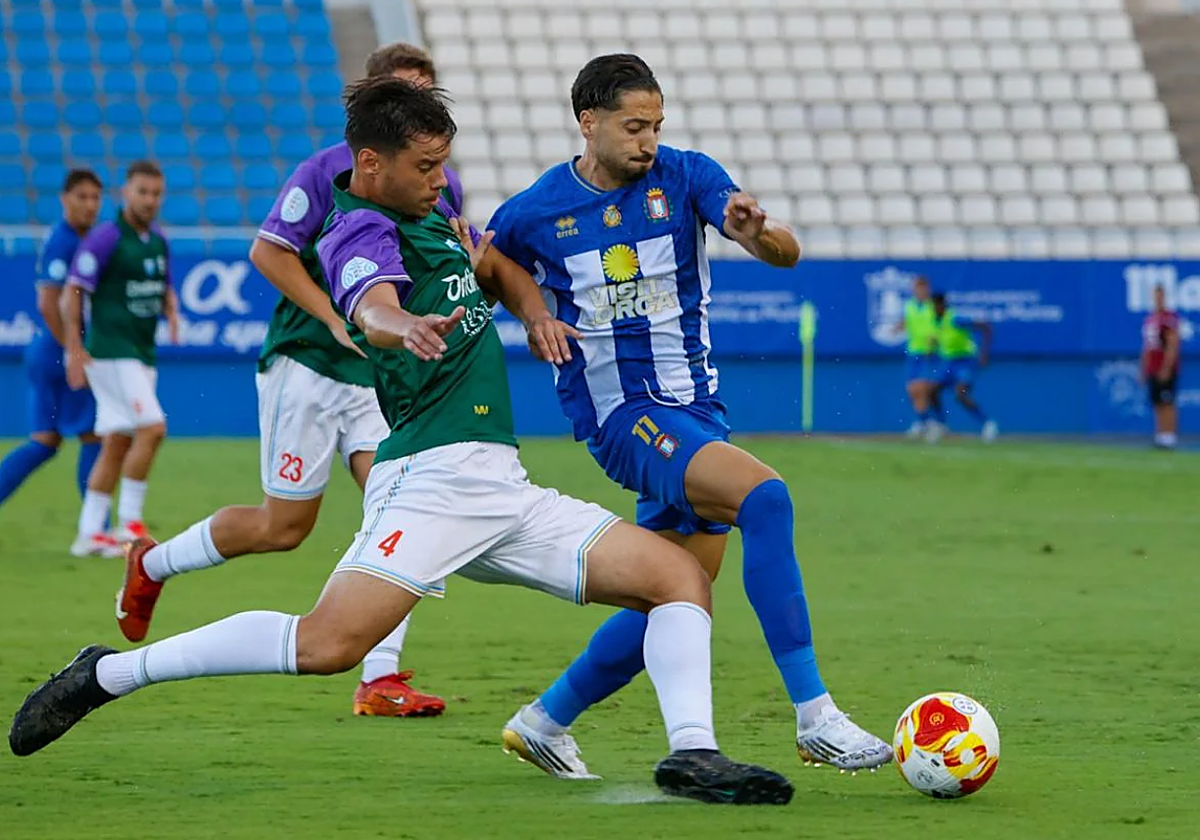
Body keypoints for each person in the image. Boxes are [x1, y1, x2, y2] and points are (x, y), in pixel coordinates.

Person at [9, 78, 794, 806]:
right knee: (325, 645)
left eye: (442, 164)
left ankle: (693, 752)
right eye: (424, 167)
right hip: (431, 482)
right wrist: (400, 324)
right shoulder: (357, 230)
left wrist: (534, 311)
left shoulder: (435, 215)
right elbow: (371, 304)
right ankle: (109, 674)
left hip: (503, 487)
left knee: (679, 578)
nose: (439, 179)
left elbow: (498, 267)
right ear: (369, 164)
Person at [487, 54, 891, 778]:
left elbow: (784, 252)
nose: (648, 140)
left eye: (656, 125)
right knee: (765, 498)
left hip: (697, 412)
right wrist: (529, 312)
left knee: (676, 593)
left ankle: (543, 721)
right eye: (633, 126)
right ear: (588, 122)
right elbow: (486, 271)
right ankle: (815, 716)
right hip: (625, 417)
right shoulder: (535, 212)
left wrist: (755, 230)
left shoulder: (686, 175)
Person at [116, 43, 455, 718]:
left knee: (408, 508)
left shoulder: (437, 181)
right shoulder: (325, 172)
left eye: (425, 93)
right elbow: (267, 251)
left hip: (379, 378)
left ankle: (380, 678)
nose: (415, 106)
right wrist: (334, 316)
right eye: (402, 92)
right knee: (283, 526)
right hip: (307, 366)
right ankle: (151, 564)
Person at [62, 161, 178, 557]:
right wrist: (74, 348)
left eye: (156, 193)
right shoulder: (106, 238)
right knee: (153, 428)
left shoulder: (157, 240)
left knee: (117, 442)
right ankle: (129, 522)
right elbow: (73, 291)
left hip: (141, 352)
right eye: (142, 192)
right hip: (112, 351)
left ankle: (89, 532)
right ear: (126, 192)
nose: (150, 200)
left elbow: (163, 286)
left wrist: (172, 310)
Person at [0, 170, 103, 511]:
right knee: (94, 435)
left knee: (44, 441)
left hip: (47, 352)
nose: (90, 205)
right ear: (64, 199)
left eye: (95, 198)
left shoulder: (76, 238)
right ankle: (97, 528)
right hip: (59, 354)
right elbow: (48, 302)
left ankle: (96, 526)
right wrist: (74, 351)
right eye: (82, 197)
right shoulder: (65, 242)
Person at [928, 292, 997, 443]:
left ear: (941, 305)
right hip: (948, 362)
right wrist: (932, 348)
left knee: (961, 394)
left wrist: (984, 353)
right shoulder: (937, 321)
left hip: (965, 361)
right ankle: (941, 425)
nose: (932, 309)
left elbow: (985, 327)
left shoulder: (955, 319)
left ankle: (987, 423)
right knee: (932, 391)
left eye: (934, 306)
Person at [894, 275, 940, 438]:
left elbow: (941, 325)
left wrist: (935, 340)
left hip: (929, 353)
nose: (920, 291)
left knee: (922, 388)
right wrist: (898, 327)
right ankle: (925, 421)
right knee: (912, 389)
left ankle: (932, 422)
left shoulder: (933, 306)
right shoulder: (910, 306)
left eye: (923, 288)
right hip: (913, 352)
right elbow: (907, 321)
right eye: (917, 288)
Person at [1141, 284, 1181, 450]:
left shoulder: (1168, 319)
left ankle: (1170, 436)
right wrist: (1143, 369)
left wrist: (1166, 367)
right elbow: (1147, 347)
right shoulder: (1150, 319)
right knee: (1157, 402)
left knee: (1167, 402)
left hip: (1164, 368)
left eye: (1160, 296)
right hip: (1152, 367)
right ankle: (1161, 435)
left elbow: (1173, 344)